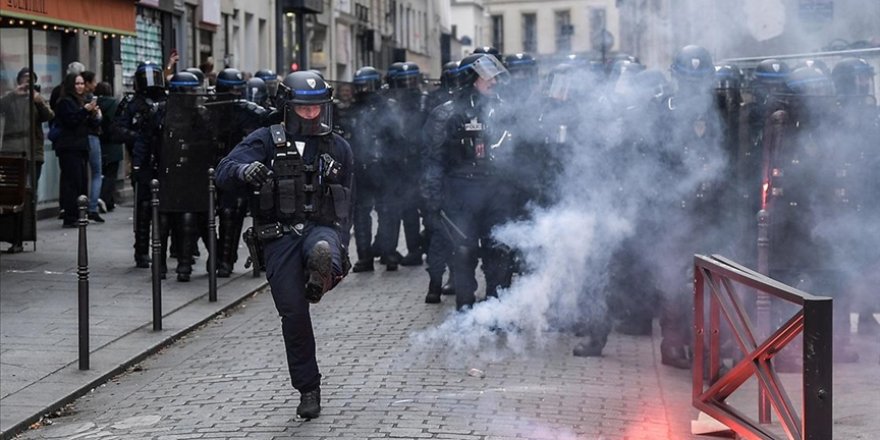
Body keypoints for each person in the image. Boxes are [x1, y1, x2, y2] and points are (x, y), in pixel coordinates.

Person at [215, 70, 353, 419]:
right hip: (278, 236)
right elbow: (225, 169)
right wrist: (244, 171)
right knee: (293, 313)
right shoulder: (264, 139)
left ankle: (323, 274)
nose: (312, 114)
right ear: (288, 108)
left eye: (317, 108)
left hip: (320, 228)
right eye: (304, 108)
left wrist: (346, 244)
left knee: (325, 250)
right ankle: (309, 388)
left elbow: (349, 200)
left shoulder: (338, 146)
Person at [421, 53, 513, 309]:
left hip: (496, 193)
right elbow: (432, 159)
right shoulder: (446, 114)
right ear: (470, 78)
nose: (493, 81)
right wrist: (433, 200)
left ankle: (496, 311)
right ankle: (465, 310)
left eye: (494, 76)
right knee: (463, 252)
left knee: (499, 251)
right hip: (461, 194)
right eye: (487, 76)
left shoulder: (504, 110)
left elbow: (518, 153)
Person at [213, 67, 268, 277]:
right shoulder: (210, 109)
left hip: (240, 169)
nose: (234, 95)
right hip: (213, 166)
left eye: (237, 90)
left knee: (232, 213)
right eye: (230, 90)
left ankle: (225, 260)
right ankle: (217, 255)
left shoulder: (250, 112)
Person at [112, 60, 166, 267]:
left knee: (168, 207)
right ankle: (141, 251)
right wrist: (139, 138)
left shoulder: (166, 100)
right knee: (143, 207)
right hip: (141, 160)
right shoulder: (131, 103)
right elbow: (117, 130)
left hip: (164, 159)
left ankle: (175, 249)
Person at [54, 73, 102, 227]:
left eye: (81, 83)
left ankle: (79, 213)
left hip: (81, 146)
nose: (80, 87)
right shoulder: (65, 102)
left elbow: (88, 125)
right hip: (69, 147)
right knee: (72, 182)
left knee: (81, 182)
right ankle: (70, 216)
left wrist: (94, 115)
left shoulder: (80, 101)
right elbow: (71, 121)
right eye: (77, 84)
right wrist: (85, 111)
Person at [95, 82, 123, 213]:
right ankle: (105, 198)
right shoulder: (115, 103)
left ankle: (109, 201)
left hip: (99, 141)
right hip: (114, 143)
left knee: (101, 173)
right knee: (111, 174)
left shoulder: (94, 103)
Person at [80, 71, 104, 223]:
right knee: (96, 172)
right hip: (91, 136)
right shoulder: (89, 99)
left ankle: (82, 206)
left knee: (83, 173)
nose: (95, 85)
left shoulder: (77, 99)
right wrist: (98, 114)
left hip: (81, 138)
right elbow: (95, 121)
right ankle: (93, 208)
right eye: (93, 81)